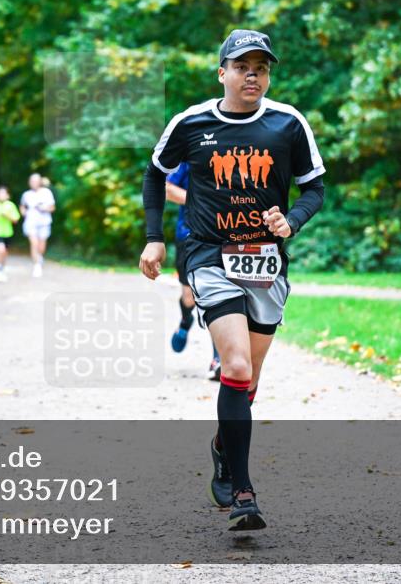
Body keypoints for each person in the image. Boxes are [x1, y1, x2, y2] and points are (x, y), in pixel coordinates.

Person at [138, 29, 325, 531]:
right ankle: (243, 491)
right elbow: (155, 173)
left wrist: (293, 220)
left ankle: (224, 447)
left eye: (261, 68)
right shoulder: (192, 122)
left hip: (266, 262)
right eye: (242, 66)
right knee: (236, 366)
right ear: (223, 72)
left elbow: (313, 189)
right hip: (209, 255)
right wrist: (155, 238)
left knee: (249, 381)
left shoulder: (288, 124)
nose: (252, 75)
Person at [166, 162, 220, 376]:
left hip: (223, 235)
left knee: (217, 296)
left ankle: (219, 360)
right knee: (189, 298)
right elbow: (168, 189)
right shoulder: (189, 155)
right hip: (189, 234)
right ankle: (186, 320)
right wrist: (202, 202)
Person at [19, 173, 56, 278]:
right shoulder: (26, 195)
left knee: (41, 245)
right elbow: (22, 206)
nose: (33, 183)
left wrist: (44, 208)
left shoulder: (46, 193)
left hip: (44, 222)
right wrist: (24, 212)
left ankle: (39, 257)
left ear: (40, 182)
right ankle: (37, 265)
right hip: (31, 222)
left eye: (35, 181)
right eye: (31, 181)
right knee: (34, 243)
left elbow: (52, 207)